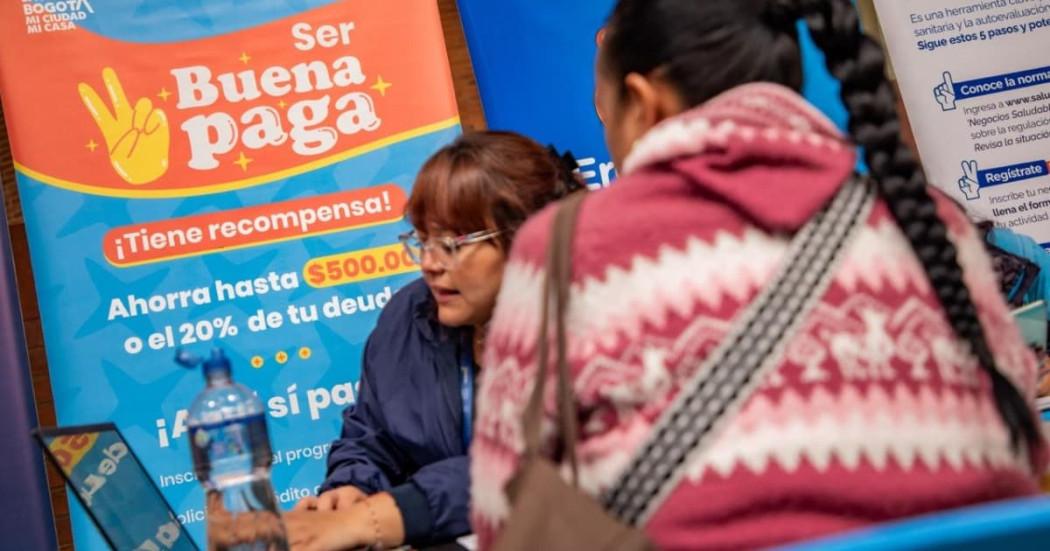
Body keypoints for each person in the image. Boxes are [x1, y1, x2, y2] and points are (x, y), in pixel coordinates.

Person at [472, 1, 1047, 549]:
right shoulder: (931, 221)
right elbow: (1022, 442)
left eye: (607, 109)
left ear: (644, 102)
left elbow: (509, 516)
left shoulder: (567, 248)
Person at [282, 131, 583, 550]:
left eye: (451, 244)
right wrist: (351, 489)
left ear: (527, 239)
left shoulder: (588, 325)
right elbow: (372, 435)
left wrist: (381, 516)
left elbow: (533, 468)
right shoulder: (408, 315)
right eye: (422, 240)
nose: (429, 264)